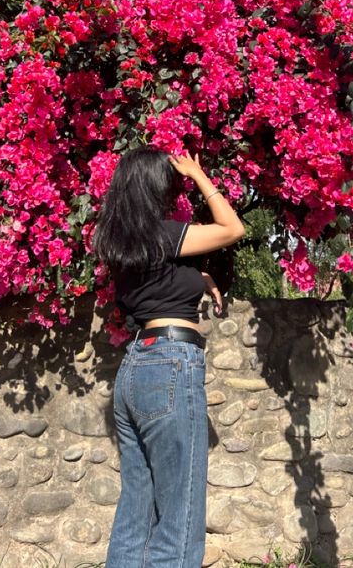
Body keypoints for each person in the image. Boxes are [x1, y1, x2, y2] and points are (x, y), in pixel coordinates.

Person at [93, 144, 245, 568]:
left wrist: (199, 276)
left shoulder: (118, 241)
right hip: (171, 364)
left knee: (136, 510)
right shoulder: (162, 234)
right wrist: (198, 175)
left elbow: (160, 280)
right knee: (180, 512)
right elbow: (232, 229)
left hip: (135, 369)